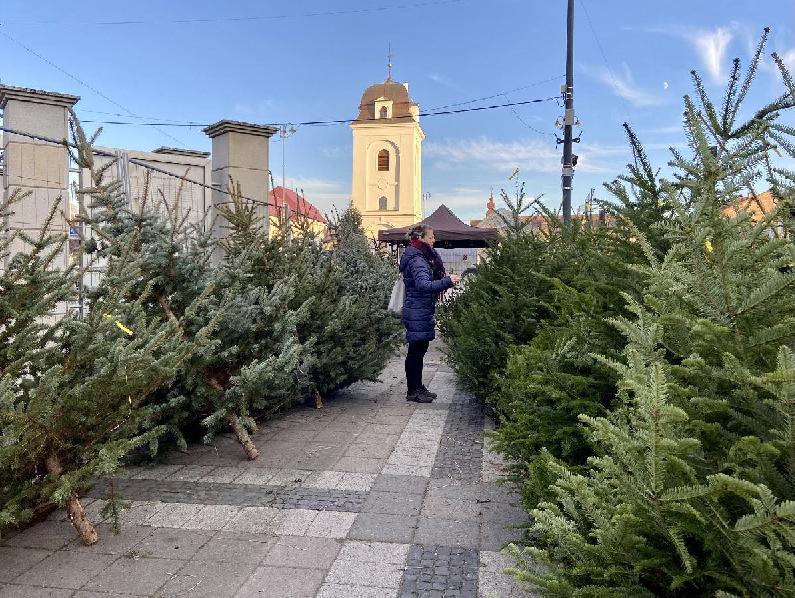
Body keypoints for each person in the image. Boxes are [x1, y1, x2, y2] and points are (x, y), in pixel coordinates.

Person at [399, 224, 461, 402]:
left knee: (419, 349)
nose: (434, 240)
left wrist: (443, 279)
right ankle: (413, 391)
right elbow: (423, 285)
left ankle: (418, 387)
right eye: (432, 237)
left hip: (421, 308)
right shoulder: (418, 258)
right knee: (416, 351)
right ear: (422, 238)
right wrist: (447, 281)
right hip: (417, 308)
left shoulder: (420, 256)